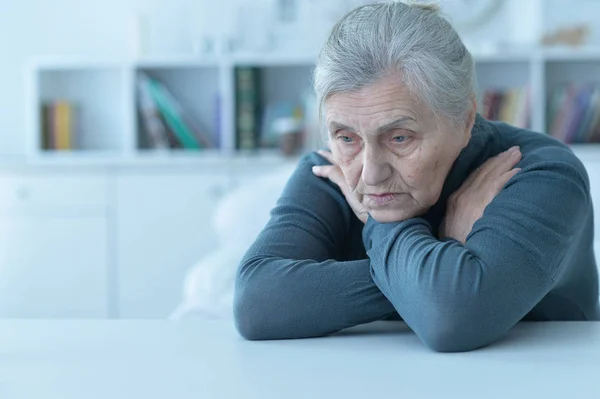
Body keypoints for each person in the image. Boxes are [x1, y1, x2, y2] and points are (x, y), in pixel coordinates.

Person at [233, 2, 600, 352]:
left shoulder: (542, 174)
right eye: (347, 137)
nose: (371, 174)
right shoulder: (330, 170)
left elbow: (451, 315)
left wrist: (381, 225)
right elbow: (256, 303)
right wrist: (444, 257)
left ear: (465, 120)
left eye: (399, 138)